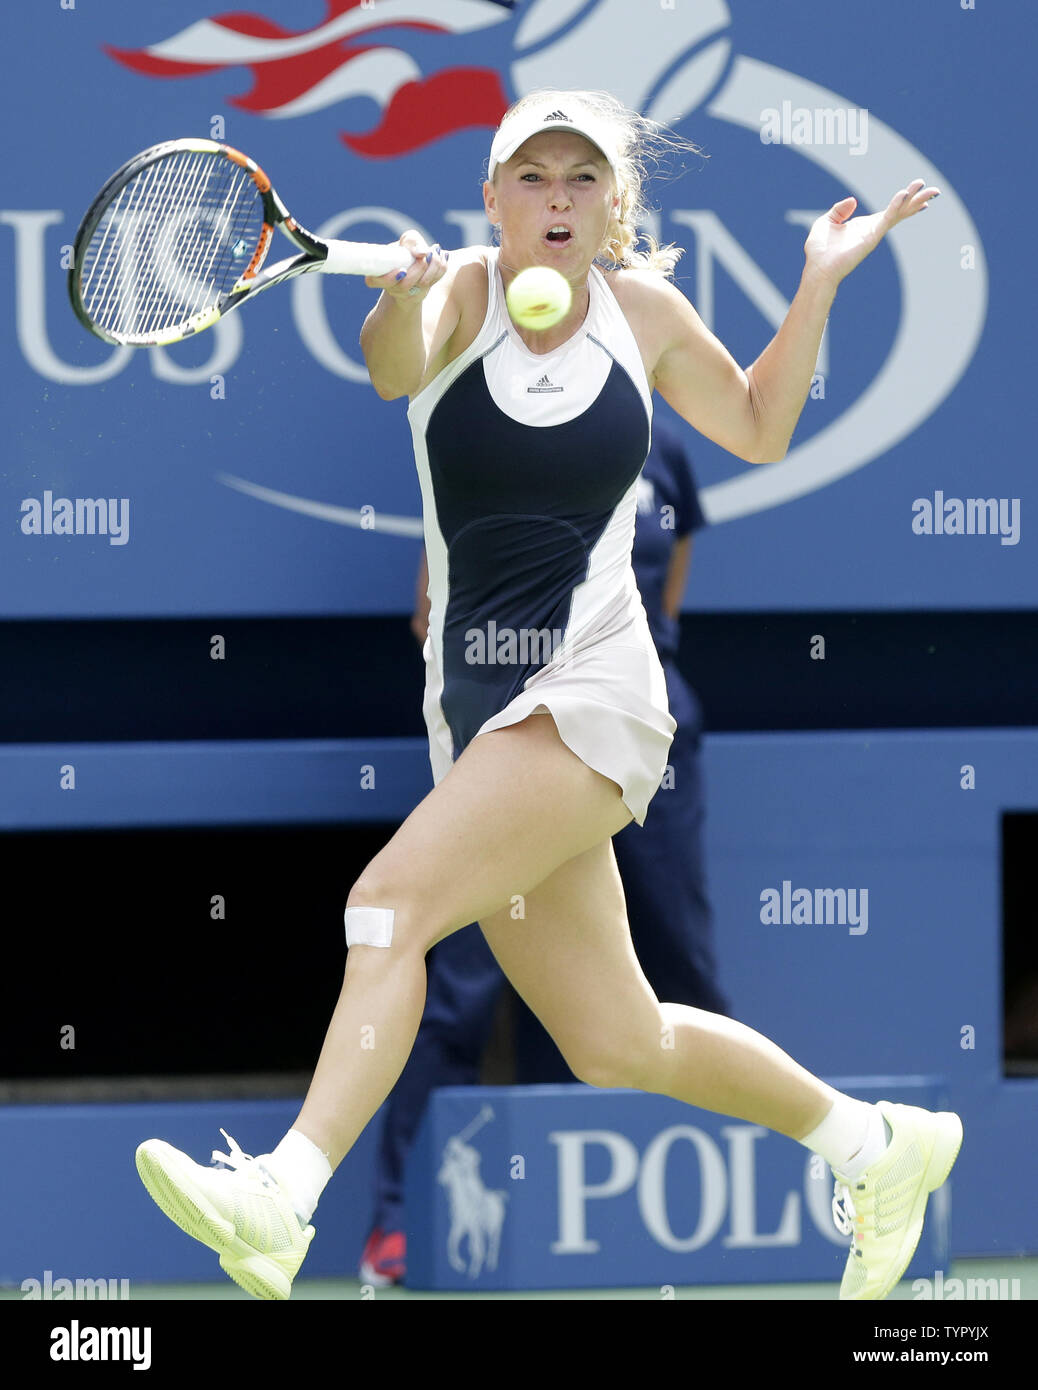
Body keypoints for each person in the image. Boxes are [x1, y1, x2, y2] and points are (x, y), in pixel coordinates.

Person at [135, 89, 960, 1302]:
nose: (558, 198)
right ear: (494, 197)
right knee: (620, 1040)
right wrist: (404, 295)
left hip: (597, 688)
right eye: (533, 177)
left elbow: (760, 425)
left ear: (616, 204)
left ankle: (284, 1193)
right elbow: (391, 370)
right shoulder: (459, 291)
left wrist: (819, 283)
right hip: (472, 715)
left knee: (387, 910)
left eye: (583, 178)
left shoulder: (647, 315)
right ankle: (874, 1145)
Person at [360, 418, 727, 1285]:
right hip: (519, 736)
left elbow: (665, 594)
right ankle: (394, 1224)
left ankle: (735, 1208)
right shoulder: (490, 428)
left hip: (640, 731)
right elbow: (431, 610)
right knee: (459, 995)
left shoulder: (664, 446)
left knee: (680, 972)